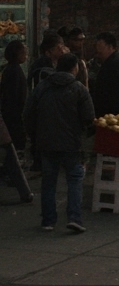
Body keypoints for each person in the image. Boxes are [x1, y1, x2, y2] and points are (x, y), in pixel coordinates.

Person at [24, 53, 94, 233]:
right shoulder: (79, 89)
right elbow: (89, 117)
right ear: (75, 68)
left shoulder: (42, 87)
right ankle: (74, 217)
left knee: (49, 180)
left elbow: (28, 113)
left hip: (46, 142)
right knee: (75, 178)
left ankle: (48, 220)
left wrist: (35, 135)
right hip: (71, 142)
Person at [90, 33, 119, 118]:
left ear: (110, 47)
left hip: (114, 114)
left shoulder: (117, 64)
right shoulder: (106, 63)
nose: (98, 51)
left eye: (101, 47)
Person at [0, 97, 31, 204]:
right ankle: (25, 193)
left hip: (3, 137)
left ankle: (25, 193)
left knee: (12, 163)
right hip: (3, 137)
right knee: (14, 165)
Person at [1, 41, 27, 159]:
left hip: (12, 114)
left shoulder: (12, 69)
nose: (25, 56)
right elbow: (13, 95)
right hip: (13, 115)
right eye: (23, 53)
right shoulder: (13, 71)